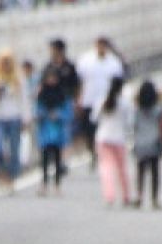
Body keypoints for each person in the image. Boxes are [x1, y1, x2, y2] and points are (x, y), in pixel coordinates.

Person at [76, 37, 126, 169]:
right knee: (89, 130)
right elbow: (80, 81)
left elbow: (118, 83)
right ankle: (92, 152)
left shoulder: (113, 62)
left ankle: (103, 154)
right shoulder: (86, 60)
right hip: (89, 100)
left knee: (103, 129)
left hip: (107, 102)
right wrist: (79, 98)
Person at [0, 48, 27, 192]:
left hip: (15, 117)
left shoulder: (17, 78)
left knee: (14, 150)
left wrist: (25, 118)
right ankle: (2, 175)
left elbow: (24, 99)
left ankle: (11, 178)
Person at [91, 76, 134, 207]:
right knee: (122, 168)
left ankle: (109, 195)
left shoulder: (102, 101)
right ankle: (126, 195)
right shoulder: (126, 103)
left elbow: (94, 118)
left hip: (103, 137)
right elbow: (129, 122)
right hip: (119, 138)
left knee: (106, 167)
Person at [34, 66, 73, 195]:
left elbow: (68, 113)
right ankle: (44, 183)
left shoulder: (62, 94)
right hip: (45, 130)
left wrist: (58, 115)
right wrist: (44, 115)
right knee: (45, 159)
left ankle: (57, 184)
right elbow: (37, 111)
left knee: (57, 159)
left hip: (58, 131)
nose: (51, 81)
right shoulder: (41, 95)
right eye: (49, 78)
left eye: (53, 78)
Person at [132, 80, 162, 208]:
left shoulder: (137, 110)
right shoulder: (158, 110)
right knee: (155, 172)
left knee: (141, 171)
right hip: (154, 142)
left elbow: (133, 125)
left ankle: (139, 195)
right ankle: (154, 199)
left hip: (140, 143)